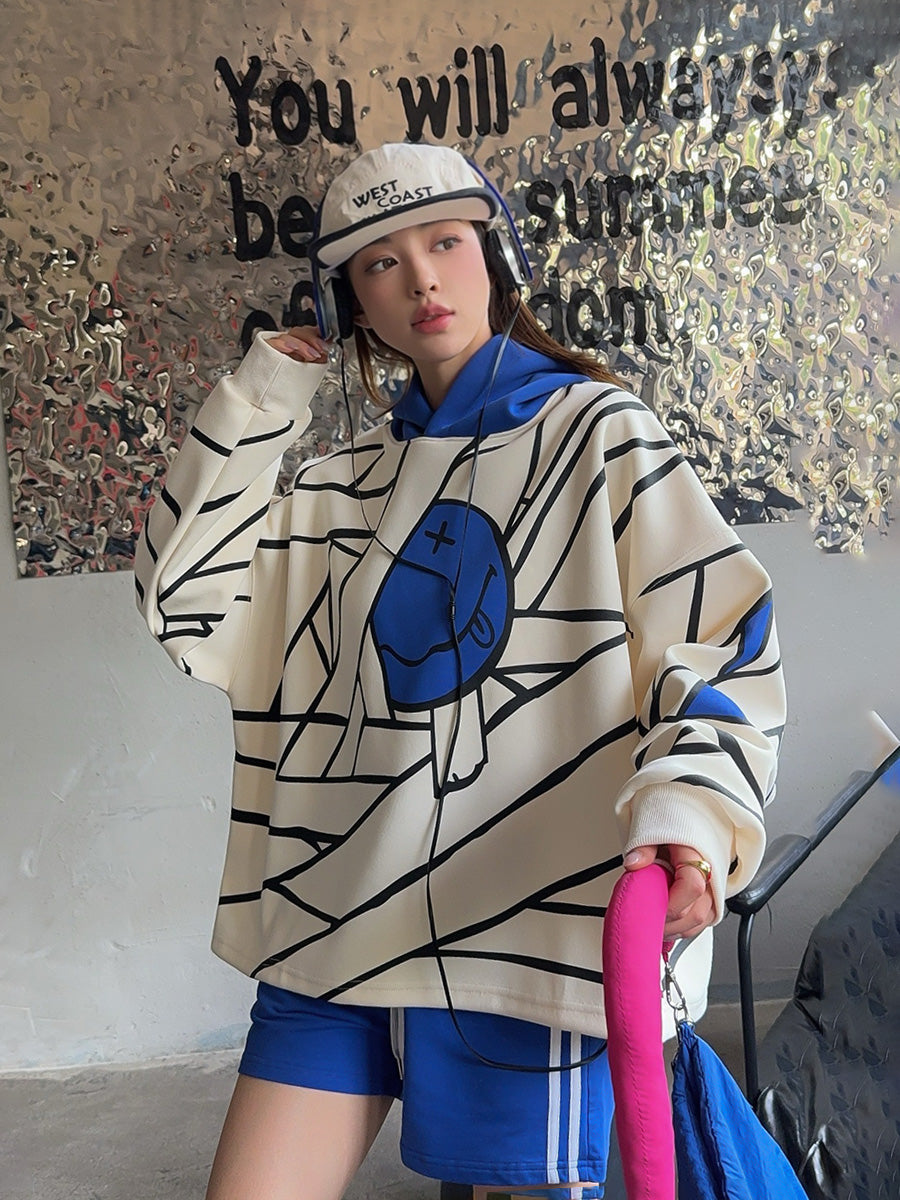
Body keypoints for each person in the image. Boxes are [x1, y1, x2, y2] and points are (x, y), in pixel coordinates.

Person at [135, 142, 785, 1200]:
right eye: (382, 262)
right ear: (352, 302)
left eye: (445, 242)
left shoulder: (599, 434)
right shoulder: (337, 489)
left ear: (496, 257)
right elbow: (183, 599)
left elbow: (716, 635)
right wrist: (263, 394)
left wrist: (693, 816)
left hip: (532, 930)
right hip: (335, 922)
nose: (423, 279)